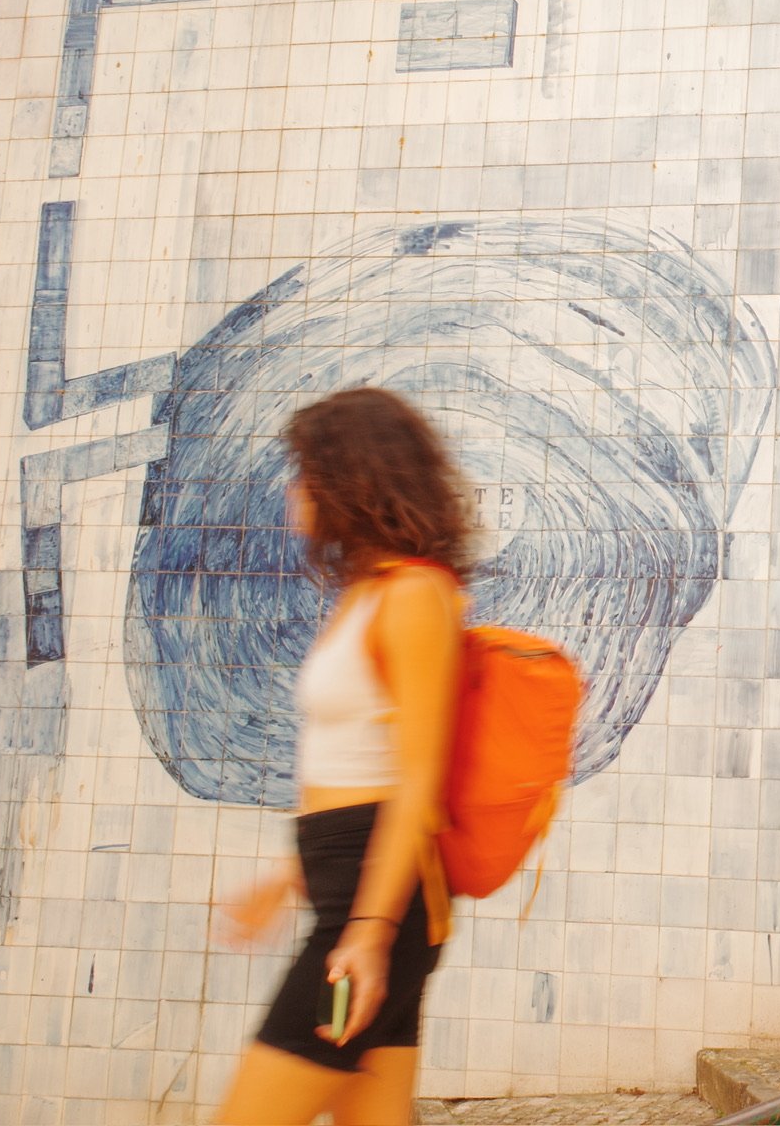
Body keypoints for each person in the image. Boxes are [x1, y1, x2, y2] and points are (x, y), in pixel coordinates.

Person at [214, 387, 472, 1125]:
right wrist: (288, 879)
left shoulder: (414, 595)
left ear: (350, 479)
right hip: (354, 893)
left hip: (374, 910)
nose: (293, 490)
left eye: (306, 472)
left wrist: (368, 932)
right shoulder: (368, 592)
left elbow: (415, 783)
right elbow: (358, 767)